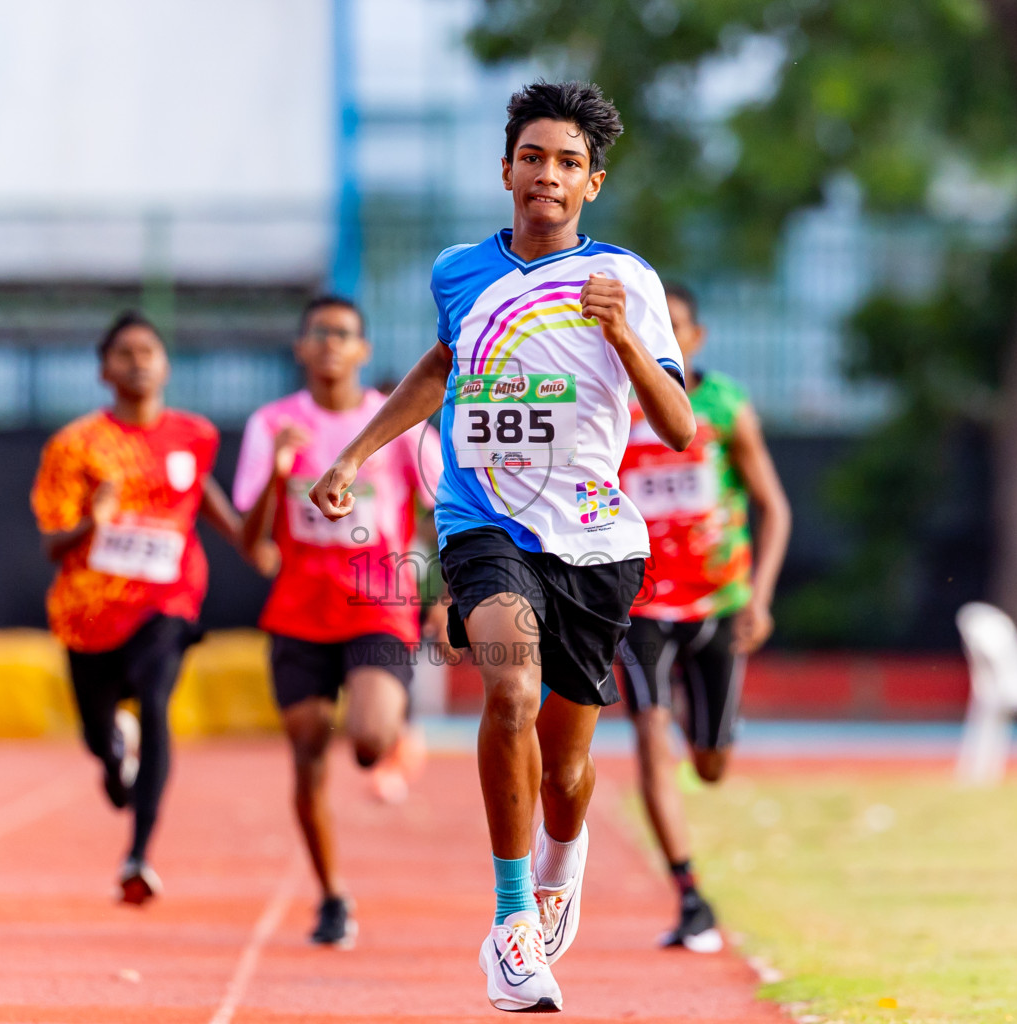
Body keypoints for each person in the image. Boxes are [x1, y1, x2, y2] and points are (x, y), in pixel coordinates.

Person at [309, 81, 696, 1012]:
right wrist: (357, 450)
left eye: (569, 163)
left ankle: (563, 857)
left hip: (598, 542)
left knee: (566, 771)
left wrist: (624, 338)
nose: (548, 176)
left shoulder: (629, 281)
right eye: (534, 158)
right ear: (507, 168)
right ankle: (512, 925)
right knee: (509, 686)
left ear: (592, 183)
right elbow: (442, 366)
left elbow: (679, 428)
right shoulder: (457, 271)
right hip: (483, 522)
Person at [234, 295, 444, 949]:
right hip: (299, 609)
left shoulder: (400, 422)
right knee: (306, 758)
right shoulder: (271, 423)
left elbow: (444, 507)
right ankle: (330, 896)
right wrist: (276, 472)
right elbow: (250, 534)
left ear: (364, 351)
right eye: (318, 333)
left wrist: (441, 592)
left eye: (343, 334)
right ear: (300, 348)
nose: (330, 343)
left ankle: (397, 735)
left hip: (376, 603)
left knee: (367, 741)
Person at [30, 311, 241, 905]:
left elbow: (204, 498)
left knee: (155, 700)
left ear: (165, 364)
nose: (138, 361)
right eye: (124, 353)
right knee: (100, 744)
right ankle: (112, 748)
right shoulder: (75, 446)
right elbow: (51, 544)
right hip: (88, 613)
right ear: (104, 371)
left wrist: (257, 539)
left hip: (166, 600)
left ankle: (139, 854)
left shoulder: (194, 435)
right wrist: (87, 526)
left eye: (148, 350)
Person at [617, 283, 791, 952]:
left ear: (695, 338)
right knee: (649, 734)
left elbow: (774, 506)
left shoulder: (724, 406)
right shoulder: (612, 405)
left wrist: (761, 596)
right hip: (641, 603)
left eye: (673, 326)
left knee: (711, 763)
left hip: (720, 600)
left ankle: (701, 722)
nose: (661, 336)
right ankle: (689, 892)